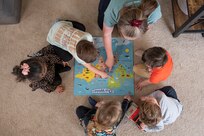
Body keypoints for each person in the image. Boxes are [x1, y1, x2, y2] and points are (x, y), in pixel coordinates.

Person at [98, 0, 162, 71]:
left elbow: (149, 26)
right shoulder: (113, 9)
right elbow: (106, 34)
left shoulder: (154, 13)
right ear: (119, 23)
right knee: (101, 22)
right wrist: (110, 57)